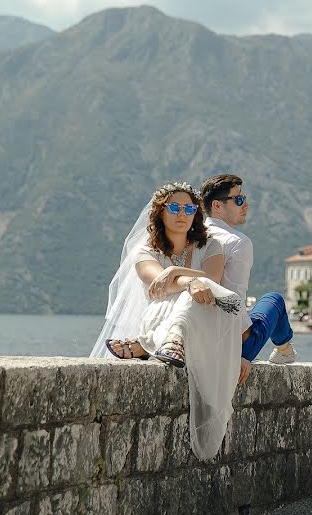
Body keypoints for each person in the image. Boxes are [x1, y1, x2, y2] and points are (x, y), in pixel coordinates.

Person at [91, 182, 246, 460]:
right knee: (189, 293)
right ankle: (171, 339)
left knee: (200, 292)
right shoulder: (145, 252)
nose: (182, 213)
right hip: (162, 313)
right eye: (174, 207)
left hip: (210, 321)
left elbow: (212, 281)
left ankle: (147, 344)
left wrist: (175, 271)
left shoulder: (212, 246)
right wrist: (190, 281)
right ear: (160, 213)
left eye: (189, 208)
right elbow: (158, 286)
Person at [199, 174, 296, 386]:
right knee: (274, 300)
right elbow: (234, 300)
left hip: (195, 340)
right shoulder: (238, 242)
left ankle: (284, 348)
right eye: (239, 200)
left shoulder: (191, 237)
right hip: (231, 345)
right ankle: (284, 348)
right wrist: (240, 355)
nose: (246, 204)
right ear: (217, 205)